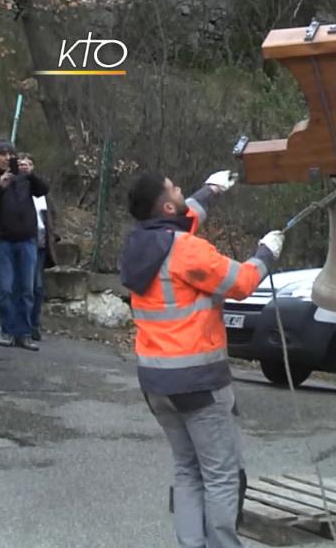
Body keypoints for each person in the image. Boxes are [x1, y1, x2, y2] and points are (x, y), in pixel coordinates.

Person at [119, 169, 285, 548]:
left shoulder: (138, 245)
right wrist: (266, 253)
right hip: (199, 382)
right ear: (165, 204)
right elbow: (242, 282)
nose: (180, 189)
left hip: (156, 382)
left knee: (188, 470)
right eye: (174, 188)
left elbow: (182, 218)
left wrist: (209, 192)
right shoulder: (187, 250)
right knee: (222, 475)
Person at [0, 139, 48, 350]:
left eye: (10, 153)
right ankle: (7, 331)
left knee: (27, 289)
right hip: (1, 241)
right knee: (6, 287)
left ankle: (23, 333)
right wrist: (0, 187)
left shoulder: (24, 178)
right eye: (2, 153)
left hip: (26, 240)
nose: (7, 157)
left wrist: (31, 174)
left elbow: (43, 190)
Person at [18, 153, 59, 341]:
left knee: (38, 286)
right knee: (28, 284)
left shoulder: (41, 191)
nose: (26, 167)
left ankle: (33, 324)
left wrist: (53, 234)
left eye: (29, 163)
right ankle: (23, 324)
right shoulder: (17, 188)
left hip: (42, 243)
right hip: (25, 239)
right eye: (22, 163)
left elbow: (51, 215)